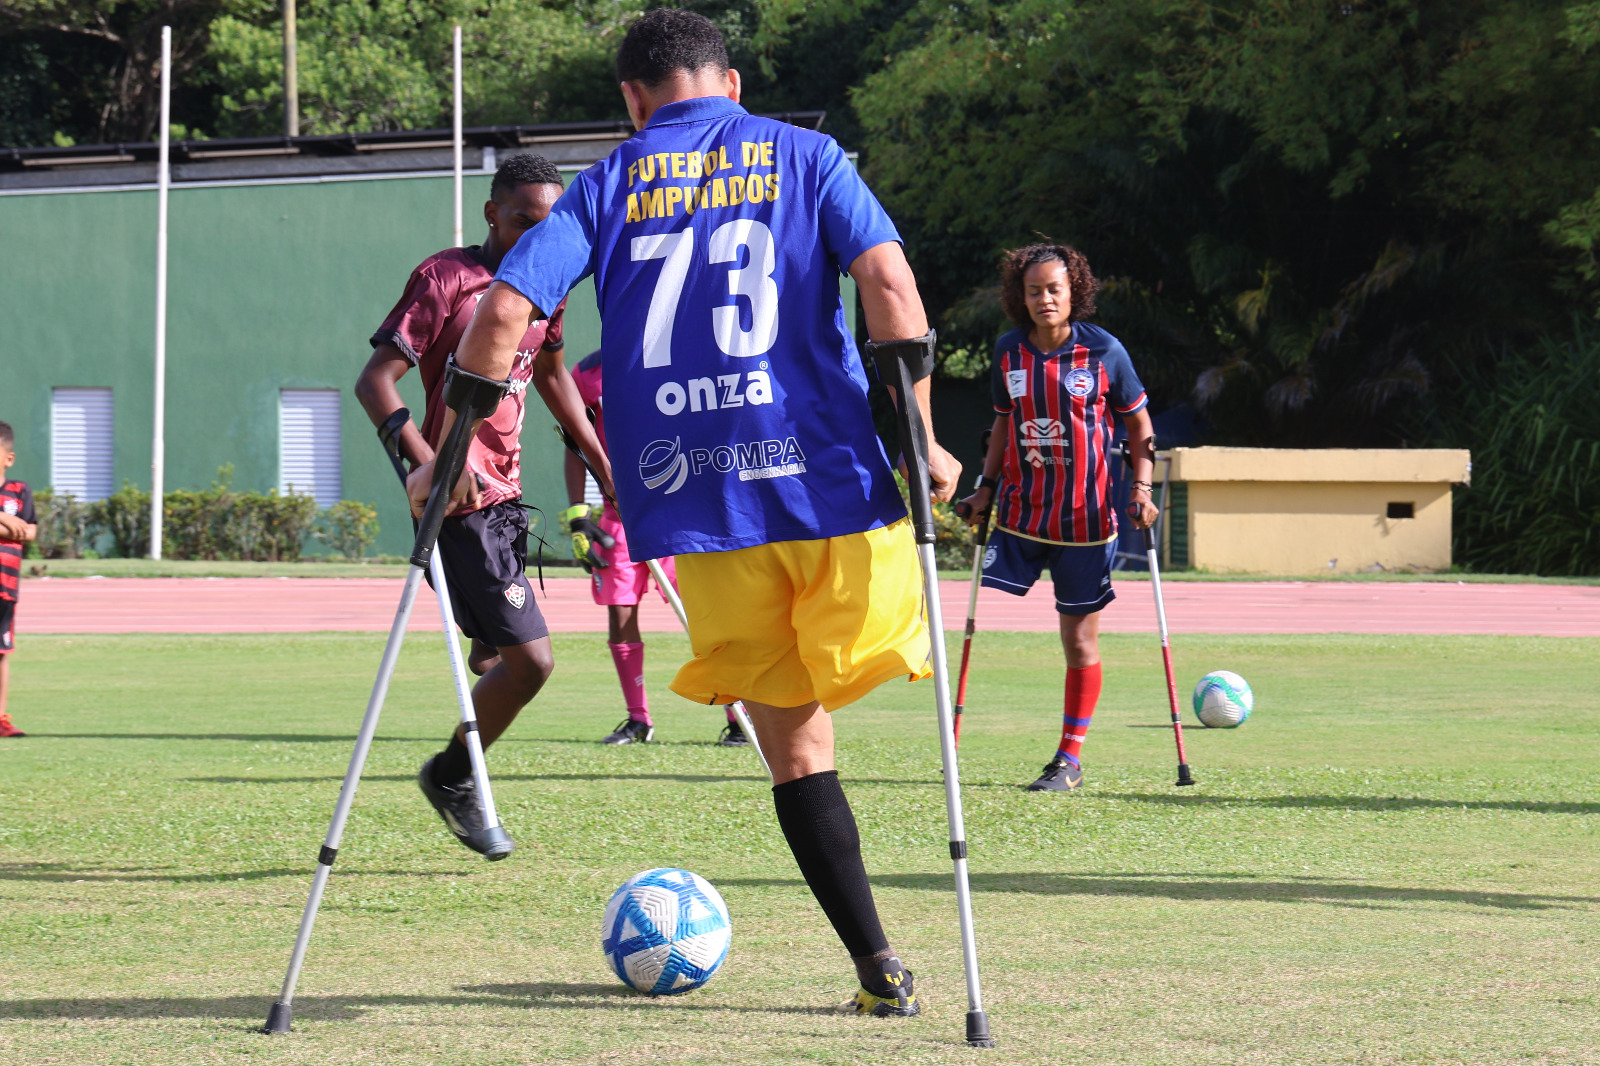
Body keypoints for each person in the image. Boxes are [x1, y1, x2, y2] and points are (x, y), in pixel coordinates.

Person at [408, 9, 960, 1018]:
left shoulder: (607, 181)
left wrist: (445, 457)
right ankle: (883, 960)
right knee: (867, 679)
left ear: (632, 99)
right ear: (733, 84)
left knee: (796, 742)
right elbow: (886, 279)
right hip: (829, 487)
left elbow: (499, 316)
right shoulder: (808, 153)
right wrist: (919, 434)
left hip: (700, 507)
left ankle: (881, 968)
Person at [353, 153, 568, 856]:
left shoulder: (547, 282)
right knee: (531, 663)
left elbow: (554, 377)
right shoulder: (446, 277)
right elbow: (375, 381)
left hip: (508, 499)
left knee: (500, 659)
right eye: (523, 222)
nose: (537, 236)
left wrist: (601, 465)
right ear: (492, 214)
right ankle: (452, 778)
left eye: (549, 225)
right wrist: (430, 468)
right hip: (458, 503)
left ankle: (471, 721)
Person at [958, 243, 1159, 792]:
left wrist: (1141, 489)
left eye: (1054, 289)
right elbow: (1002, 426)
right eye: (1034, 290)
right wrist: (984, 490)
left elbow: (1141, 433)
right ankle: (956, 742)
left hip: (1087, 521)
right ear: (1019, 297)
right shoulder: (1008, 353)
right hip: (1023, 515)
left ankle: (1068, 758)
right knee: (979, 620)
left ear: (1074, 293)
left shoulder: (1104, 353)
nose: (1044, 299)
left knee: (1078, 641)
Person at [564, 349, 750, 748]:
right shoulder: (588, 373)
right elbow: (573, 440)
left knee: (708, 613)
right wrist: (578, 513)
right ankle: (638, 720)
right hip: (619, 519)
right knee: (620, 613)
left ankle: (739, 715)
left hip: (680, 510)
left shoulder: (677, 356)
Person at [0, 421, 37, 738]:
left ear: (8, 458)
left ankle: (1, 718)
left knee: (2, 651)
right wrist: (5, 520)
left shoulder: (19, 490)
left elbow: (29, 531)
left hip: (5, 587)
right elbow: (14, 530)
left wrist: (14, 524)